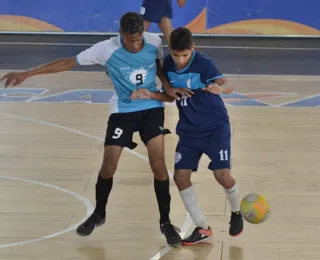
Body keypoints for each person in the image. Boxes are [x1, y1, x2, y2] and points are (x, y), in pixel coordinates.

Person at [1, 13, 193, 247]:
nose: (136, 44)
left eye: (138, 39)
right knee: (108, 165)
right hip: (122, 111)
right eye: (131, 40)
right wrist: (27, 73)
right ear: (120, 34)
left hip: (152, 108)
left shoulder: (153, 41)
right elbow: (67, 62)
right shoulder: (105, 49)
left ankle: (165, 222)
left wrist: (168, 87)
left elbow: (159, 68)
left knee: (158, 165)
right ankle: (99, 213)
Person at [131, 27, 244, 246]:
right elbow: (171, 94)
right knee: (181, 177)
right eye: (176, 55)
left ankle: (236, 212)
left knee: (222, 175)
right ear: (170, 51)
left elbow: (228, 85)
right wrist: (152, 94)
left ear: (193, 49)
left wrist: (219, 89)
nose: (180, 60)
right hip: (189, 131)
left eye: (185, 55)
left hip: (215, 127)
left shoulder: (204, 63)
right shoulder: (168, 65)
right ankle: (203, 227)